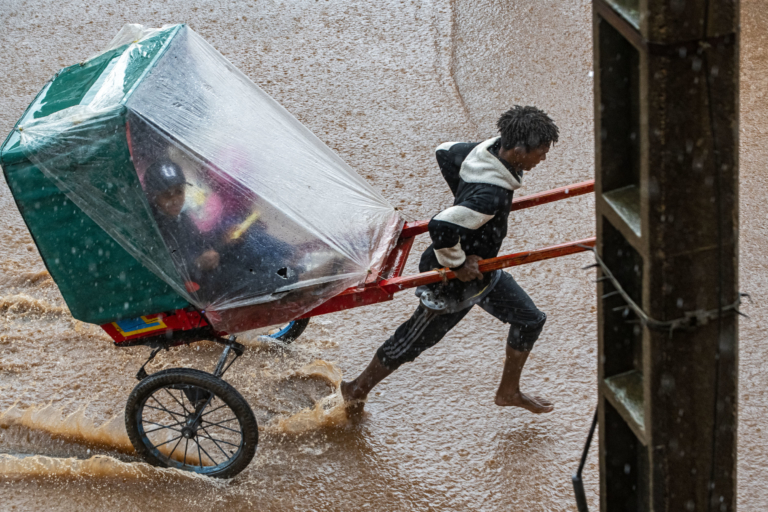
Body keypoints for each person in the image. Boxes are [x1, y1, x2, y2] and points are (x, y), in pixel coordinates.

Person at [341, 106, 559, 415]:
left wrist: (463, 200)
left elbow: (444, 151)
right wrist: (457, 262)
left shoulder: (486, 152)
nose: (543, 158)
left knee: (530, 320)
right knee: (411, 342)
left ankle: (508, 391)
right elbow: (440, 225)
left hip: (485, 271)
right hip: (450, 281)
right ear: (518, 149)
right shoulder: (489, 196)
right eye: (541, 151)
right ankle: (356, 389)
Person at [144, 160, 297, 306]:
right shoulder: (153, 226)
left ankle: (293, 272)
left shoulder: (181, 217)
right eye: (167, 195)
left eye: (179, 192)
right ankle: (294, 279)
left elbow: (200, 244)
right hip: (197, 284)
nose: (175, 199)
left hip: (207, 270)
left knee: (248, 252)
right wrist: (196, 264)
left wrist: (223, 239)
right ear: (152, 195)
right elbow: (167, 269)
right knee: (246, 277)